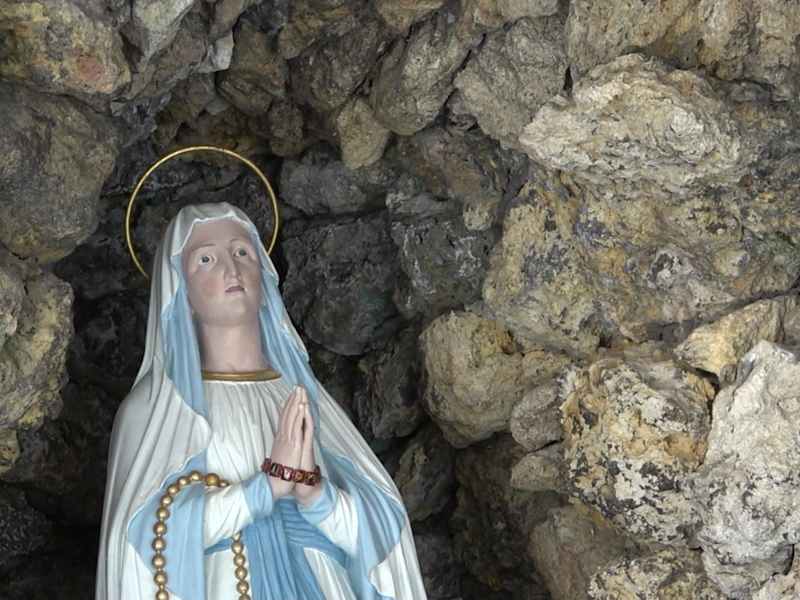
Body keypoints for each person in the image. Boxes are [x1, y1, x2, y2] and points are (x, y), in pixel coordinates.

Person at [96, 202, 427, 599]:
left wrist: (313, 494)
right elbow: (140, 539)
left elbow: (378, 531)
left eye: (242, 252)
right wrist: (265, 488)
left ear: (264, 275)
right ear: (180, 291)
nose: (231, 269)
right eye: (206, 259)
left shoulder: (302, 398)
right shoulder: (155, 410)